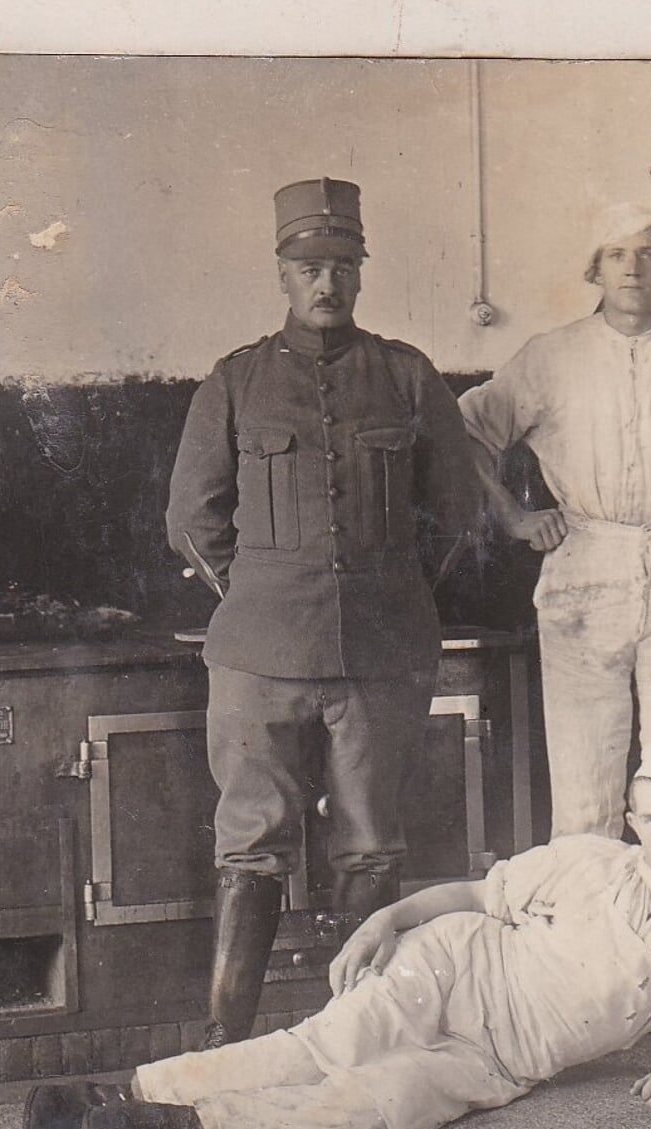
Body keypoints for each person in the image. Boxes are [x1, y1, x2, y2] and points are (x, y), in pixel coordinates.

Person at [24, 742, 651, 1129]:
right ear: (632, 821)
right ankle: (116, 1089)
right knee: (325, 1046)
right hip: (453, 965)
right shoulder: (589, 859)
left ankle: (177, 1123)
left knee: (380, 1103)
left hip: (503, 1056)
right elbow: (474, 894)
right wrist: (386, 919)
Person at [165, 178, 481, 1049]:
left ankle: (358, 1035)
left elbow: (456, 513)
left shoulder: (409, 376)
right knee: (250, 845)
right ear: (282, 272)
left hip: (381, 651)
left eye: (343, 265)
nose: (327, 282)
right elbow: (191, 518)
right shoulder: (235, 381)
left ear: (360, 271)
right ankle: (225, 1040)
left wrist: (398, 587)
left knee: (371, 848)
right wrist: (262, 592)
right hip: (258, 653)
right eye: (310, 265)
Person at [459, 203, 651, 841]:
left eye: (648, 253)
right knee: (586, 779)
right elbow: (465, 434)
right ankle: (590, 932)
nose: (633, 268)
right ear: (595, 270)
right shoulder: (551, 355)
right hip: (585, 562)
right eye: (617, 255)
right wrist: (513, 517)